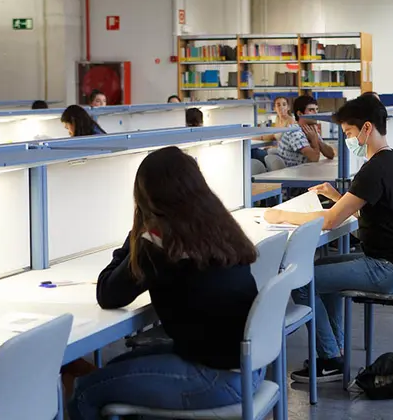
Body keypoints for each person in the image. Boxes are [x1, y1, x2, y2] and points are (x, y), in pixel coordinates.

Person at [68, 146, 262, 419]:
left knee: (86, 392)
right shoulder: (218, 224)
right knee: (114, 368)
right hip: (249, 364)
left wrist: (137, 232)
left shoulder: (161, 242)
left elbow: (108, 293)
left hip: (215, 380)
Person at [263, 95, 393, 383]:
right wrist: (338, 198)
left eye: (349, 133)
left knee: (302, 280)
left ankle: (329, 357)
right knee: (326, 273)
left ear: (366, 128)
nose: (349, 140)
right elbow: (376, 211)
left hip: (391, 268)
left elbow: (329, 221)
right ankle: (334, 353)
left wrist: (282, 216)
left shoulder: (373, 168)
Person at [276, 95, 335, 167]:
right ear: (300, 114)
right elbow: (314, 158)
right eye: (311, 110)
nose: (316, 113)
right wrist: (314, 139)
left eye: (316, 109)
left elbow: (331, 154)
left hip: (305, 171)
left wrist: (316, 139)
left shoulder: (310, 129)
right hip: (292, 174)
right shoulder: (294, 132)